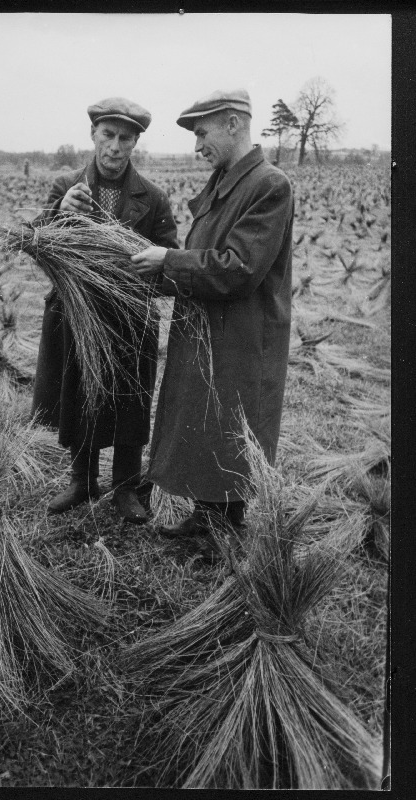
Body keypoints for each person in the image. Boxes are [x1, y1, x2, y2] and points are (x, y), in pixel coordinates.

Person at [131, 89, 294, 555]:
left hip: (244, 333)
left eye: (202, 133)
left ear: (232, 124)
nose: (197, 145)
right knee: (209, 419)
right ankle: (207, 518)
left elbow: (238, 268)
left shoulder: (269, 184)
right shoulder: (227, 182)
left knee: (232, 423)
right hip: (209, 325)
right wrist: (154, 273)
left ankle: (225, 528)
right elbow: (203, 260)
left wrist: (168, 260)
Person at [32, 97, 178, 523]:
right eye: (108, 135)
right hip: (78, 316)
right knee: (80, 393)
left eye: (125, 138)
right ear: (93, 135)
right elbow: (38, 247)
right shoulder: (66, 187)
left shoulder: (152, 197)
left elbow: (171, 259)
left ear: (136, 143)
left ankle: (126, 487)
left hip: (131, 318)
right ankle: (82, 480)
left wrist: (146, 266)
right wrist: (59, 216)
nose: (115, 146)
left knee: (129, 397)